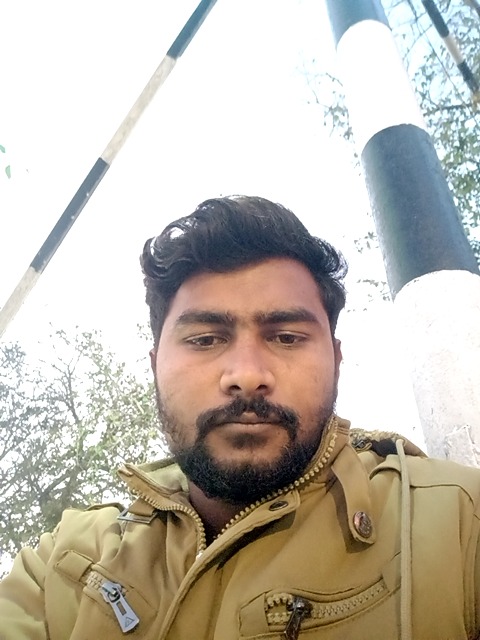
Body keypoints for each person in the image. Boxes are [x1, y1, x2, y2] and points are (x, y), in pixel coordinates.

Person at [1, 195, 480, 640]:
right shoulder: (63, 563)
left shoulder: (459, 525)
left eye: (286, 337)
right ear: (155, 365)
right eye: (205, 339)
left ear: (336, 360)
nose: (247, 376)